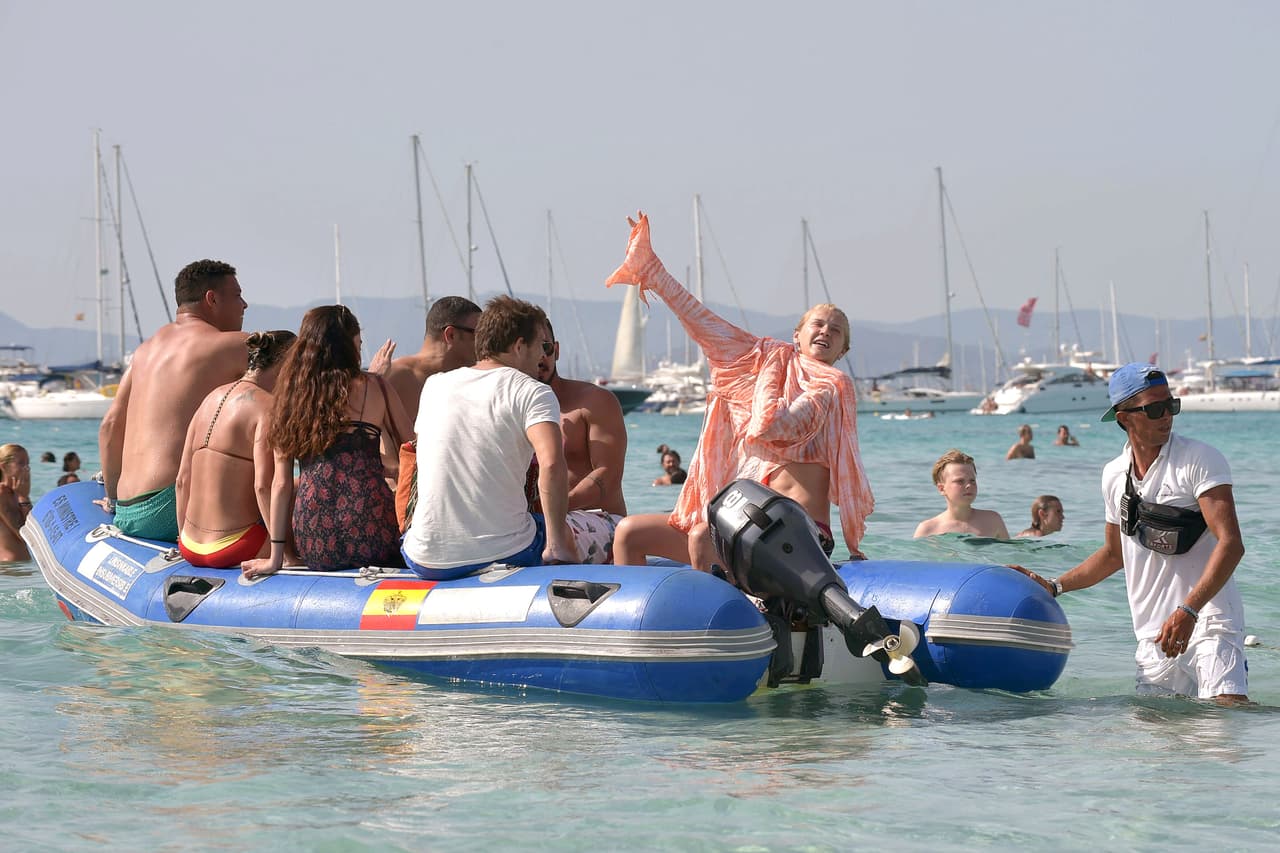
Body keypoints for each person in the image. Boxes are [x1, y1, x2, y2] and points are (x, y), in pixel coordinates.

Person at [605, 213, 874, 571]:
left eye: (837, 331)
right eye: (818, 323)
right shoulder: (762, 360)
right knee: (629, 532)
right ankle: (640, 624)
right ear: (797, 334)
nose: (826, 331)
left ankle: (720, 621)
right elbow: (703, 322)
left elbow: (769, 426)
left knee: (703, 536)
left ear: (841, 351)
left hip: (801, 536)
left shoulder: (831, 385)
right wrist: (652, 270)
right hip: (742, 525)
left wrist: (776, 362)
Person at [1023, 363, 1248, 703]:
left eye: (1171, 406)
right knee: (1156, 743)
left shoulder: (1200, 459)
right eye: (1155, 409)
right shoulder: (1113, 475)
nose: (1166, 417)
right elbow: (1114, 555)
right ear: (1123, 417)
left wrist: (1188, 611)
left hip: (1208, 618)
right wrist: (1056, 586)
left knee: (1225, 719)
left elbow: (1231, 544)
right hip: (1153, 633)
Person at [401, 296, 578, 578]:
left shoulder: (435, 385)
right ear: (519, 346)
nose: (544, 357)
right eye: (542, 346)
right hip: (505, 552)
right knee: (599, 529)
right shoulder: (533, 391)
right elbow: (552, 464)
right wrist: (557, 545)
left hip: (423, 556)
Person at [243, 306, 412, 578]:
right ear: (350, 344)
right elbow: (415, 451)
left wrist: (276, 557)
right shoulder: (376, 387)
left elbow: (281, 484)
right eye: (358, 342)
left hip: (314, 539)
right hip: (373, 532)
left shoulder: (290, 398)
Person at [98, 259, 250, 542]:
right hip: (173, 507)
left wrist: (113, 500)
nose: (245, 305)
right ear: (211, 299)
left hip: (128, 511)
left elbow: (109, 426)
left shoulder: (145, 351)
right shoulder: (235, 345)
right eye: (238, 295)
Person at [175, 330, 296, 568]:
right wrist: (282, 554)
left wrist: (182, 538)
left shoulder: (209, 399)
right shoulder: (269, 409)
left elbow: (181, 480)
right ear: (286, 364)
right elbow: (264, 487)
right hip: (234, 546)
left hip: (188, 546)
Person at [534, 317, 628, 563]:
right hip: (536, 520)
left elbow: (608, 475)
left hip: (599, 519)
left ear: (556, 350)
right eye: (530, 348)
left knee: (548, 532)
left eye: (544, 348)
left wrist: (553, 508)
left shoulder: (593, 401)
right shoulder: (508, 408)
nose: (539, 357)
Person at [383, 295, 482, 419]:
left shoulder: (479, 380)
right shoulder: (394, 377)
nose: (485, 341)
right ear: (451, 335)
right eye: (479, 334)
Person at [913, 449, 1010, 539]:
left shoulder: (992, 520)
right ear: (942, 489)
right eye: (960, 481)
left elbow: (1009, 554)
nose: (968, 485)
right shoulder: (928, 530)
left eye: (972, 480)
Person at [0, 444, 32, 562]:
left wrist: (24, 497)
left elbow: (35, 530)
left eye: (28, 463)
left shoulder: (15, 494)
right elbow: (26, 536)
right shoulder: (1, 494)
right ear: (4, 467)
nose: (27, 468)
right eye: (21, 463)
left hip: (19, 568)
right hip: (8, 568)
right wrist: (24, 497)